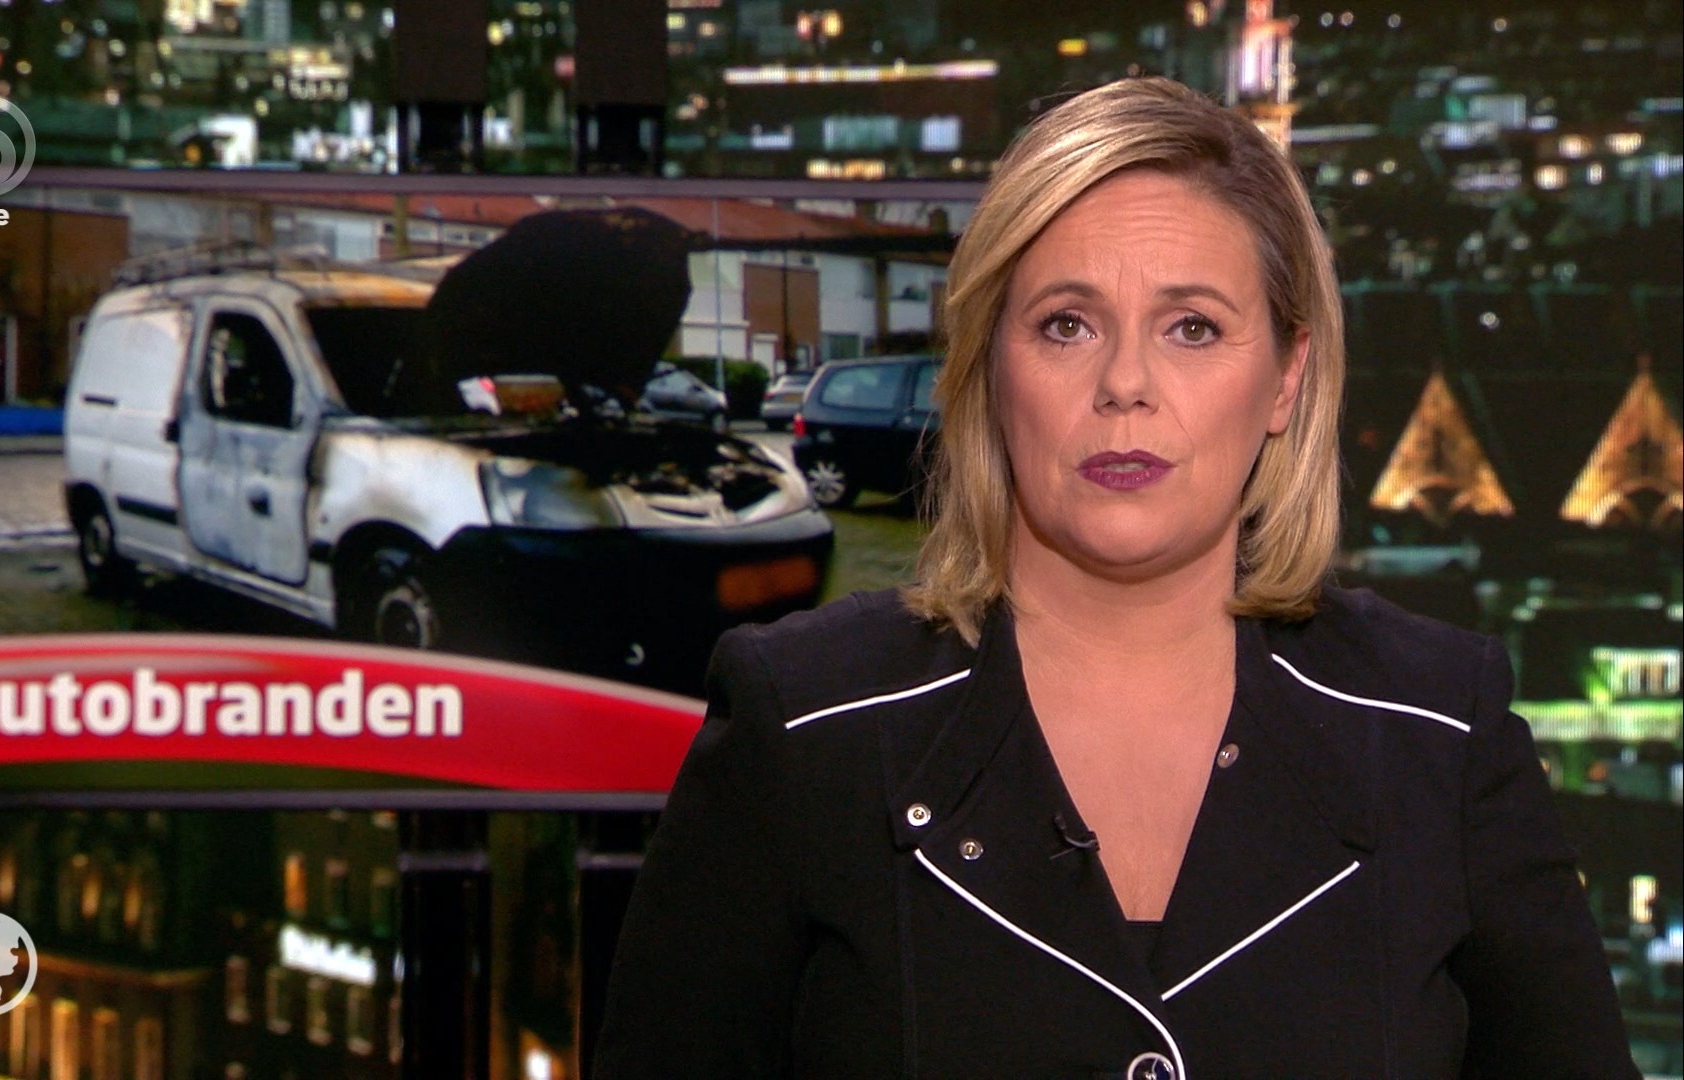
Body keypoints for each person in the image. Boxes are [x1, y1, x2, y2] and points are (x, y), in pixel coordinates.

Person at [593, 78, 1635, 1079]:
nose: (1125, 384)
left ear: (1286, 377)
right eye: (1067, 324)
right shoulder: (804, 723)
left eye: (1192, 328)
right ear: (988, 366)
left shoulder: (1439, 726)